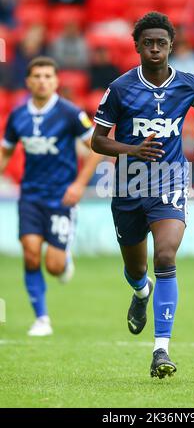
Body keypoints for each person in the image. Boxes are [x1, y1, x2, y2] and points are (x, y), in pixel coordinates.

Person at [91, 12, 194, 378]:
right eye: (148, 43)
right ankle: (141, 293)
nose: (155, 48)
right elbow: (97, 140)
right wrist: (131, 149)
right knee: (136, 268)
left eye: (161, 42)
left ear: (171, 45)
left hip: (170, 181)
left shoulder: (188, 84)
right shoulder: (120, 88)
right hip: (128, 185)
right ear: (138, 47)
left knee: (165, 254)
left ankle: (161, 350)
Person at [0, 56, 101, 336]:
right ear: (28, 81)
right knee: (31, 254)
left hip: (61, 197)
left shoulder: (70, 113)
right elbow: (6, 151)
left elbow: (97, 148)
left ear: (56, 81)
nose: (43, 81)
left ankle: (64, 260)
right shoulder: (18, 116)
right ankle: (42, 318)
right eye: (38, 76)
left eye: (48, 76)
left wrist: (79, 184)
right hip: (30, 195)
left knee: (53, 266)